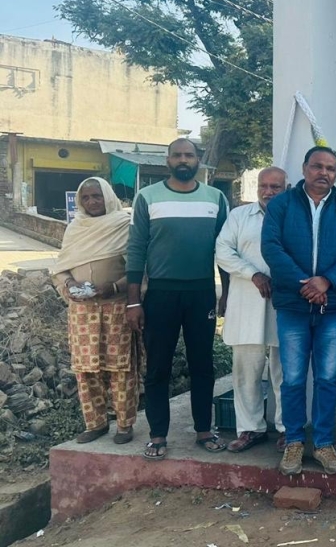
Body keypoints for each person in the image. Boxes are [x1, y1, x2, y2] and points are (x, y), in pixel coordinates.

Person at [261, 146, 336, 475]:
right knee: (292, 379)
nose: (323, 173)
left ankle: (322, 443)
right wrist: (305, 284)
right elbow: (271, 247)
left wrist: (327, 281)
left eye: (330, 168)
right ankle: (294, 441)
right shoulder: (282, 204)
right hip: (293, 306)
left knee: (326, 378)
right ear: (305, 168)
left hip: (332, 308)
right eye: (317, 166)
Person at [126, 138, 230, 460]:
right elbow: (136, 249)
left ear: (198, 160)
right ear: (167, 160)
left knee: (203, 364)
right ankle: (158, 435)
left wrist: (226, 292)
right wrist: (133, 302)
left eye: (189, 155)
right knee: (158, 366)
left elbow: (225, 250)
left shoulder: (216, 198)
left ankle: (204, 430)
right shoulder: (147, 197)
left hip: (201, 293)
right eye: (177, 155)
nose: (183, 160)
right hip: (161, 294)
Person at [53, 177, 137, 445]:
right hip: (82, 312)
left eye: (97, 196)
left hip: (117, 307)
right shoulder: (75, 228)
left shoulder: (124, 225)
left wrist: (113, 287)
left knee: (120, 368)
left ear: (108, 196)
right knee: (86, 369)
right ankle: (96, 423)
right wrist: (69, 284)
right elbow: (61, 267)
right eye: (86, 197)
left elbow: (139, 269)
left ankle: (124, 425)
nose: (92, 202)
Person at [215, 167, 288, 453]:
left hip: (284, 304)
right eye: (263, 186)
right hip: (246, 301)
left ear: (286, 188)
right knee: (246, 371)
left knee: (285, 372)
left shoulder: (294, 215)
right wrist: (253, 274)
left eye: (275, 187)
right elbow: (223, 251)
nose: (268, 192)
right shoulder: (239, 216)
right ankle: (250, 428)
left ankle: (287, 429)